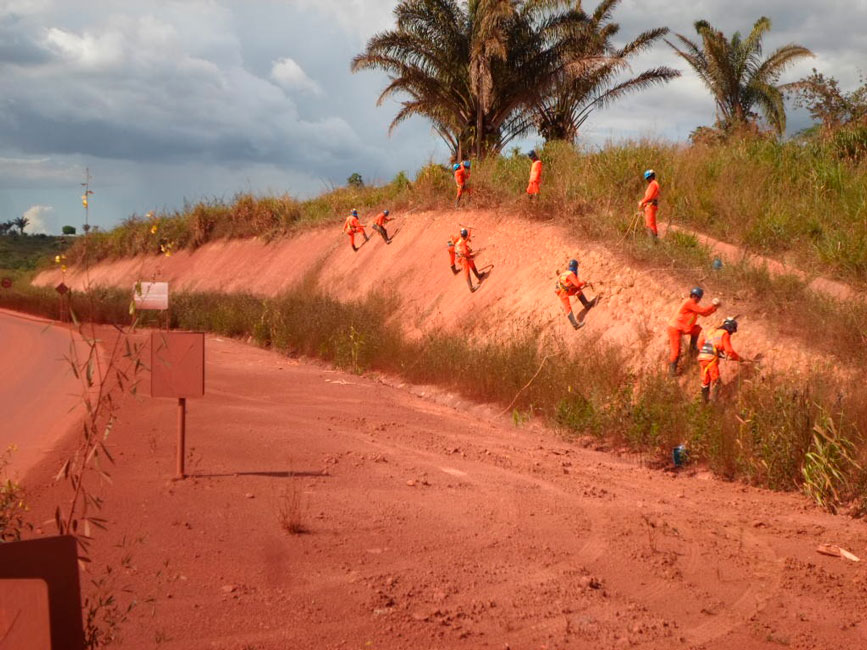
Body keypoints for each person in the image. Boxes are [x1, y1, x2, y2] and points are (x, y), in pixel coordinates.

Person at [667, 287, 720, 376]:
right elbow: (702, 311)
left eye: (697, 297)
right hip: (675, 329)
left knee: (697, 329)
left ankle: (692, 349)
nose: (696, 298)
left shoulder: (692, 304)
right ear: (692, 296)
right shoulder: (689, 302)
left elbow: (704, 314)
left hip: (683, 327)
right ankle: (672, 372)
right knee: (676, 351)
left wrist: (714, 308)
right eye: (695, 296)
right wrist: (712, 306)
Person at [697, 317, 741, 402]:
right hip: (711, 359)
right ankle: (714, 402)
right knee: (715, 380)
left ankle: (704, 402)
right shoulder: (724, 334)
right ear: (730, 328)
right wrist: (738, 358)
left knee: (705, 380)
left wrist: (708, 351)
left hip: (702, 357)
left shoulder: (712, 331)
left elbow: (700, 342)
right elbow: (729, 351)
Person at [555, 259, 597, 330]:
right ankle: (575, 325)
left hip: (562, 289)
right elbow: (577, 284)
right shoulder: (570, 274)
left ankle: (587, 304)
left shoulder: (566, 273)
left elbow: (574, 285)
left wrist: (584, 285)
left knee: (577, 290)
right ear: (575, 267)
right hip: (562, 291)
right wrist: (584, 282)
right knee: (567, 306)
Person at [455, 228, 485, 292]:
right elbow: (465, 253)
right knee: (467, 271)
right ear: (464, 236)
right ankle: (471, 288)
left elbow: (467, 236)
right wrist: (472, 255)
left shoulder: (462, 237)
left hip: (463, 254)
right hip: (462, 258)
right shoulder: (462, 243)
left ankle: (478, 276)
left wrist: (469, 229)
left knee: (472, 263)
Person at [638, 169, 660, 239]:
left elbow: (649, 197)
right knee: (651, 224)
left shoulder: (653, 184)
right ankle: (654, 240)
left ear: (650, 177)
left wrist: (642, 202)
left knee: (650, 224)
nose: (647, 180)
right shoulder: (654, 184)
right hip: (650, 206)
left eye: (647, 178)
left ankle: (652, 241)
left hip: (650, 206)